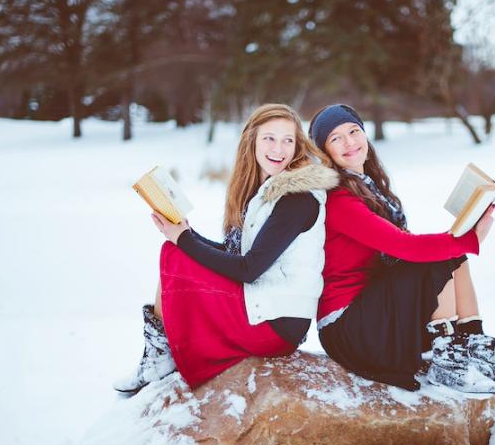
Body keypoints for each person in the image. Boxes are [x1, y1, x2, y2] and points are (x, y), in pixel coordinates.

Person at [114, 103, 338, 393]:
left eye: (288, 140)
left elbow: (249, 268)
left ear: (297, 147)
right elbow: (240, 258)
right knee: (177, 252)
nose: (279, 148)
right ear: (252, 141)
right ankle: (160, 353)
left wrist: (184, 239)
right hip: (267, 306)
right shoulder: (270, 191)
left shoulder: (296, 198)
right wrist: (185, 233)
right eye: (269, 138)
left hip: (276, 322)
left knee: (176, 255)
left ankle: (160, 355)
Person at [307, 103, 495, 397]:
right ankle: (447, 360)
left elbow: (404, 245)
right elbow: (403, 246)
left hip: (373, 309)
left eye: (353, 131)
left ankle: (477, 350)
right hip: (347, 326)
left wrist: (460, 237)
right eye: (335, 138)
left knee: (450, 256)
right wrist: (468, 239)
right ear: (325, 152)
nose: (349, 142)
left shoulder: (369, 187)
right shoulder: (338, 199)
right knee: (437, 258)